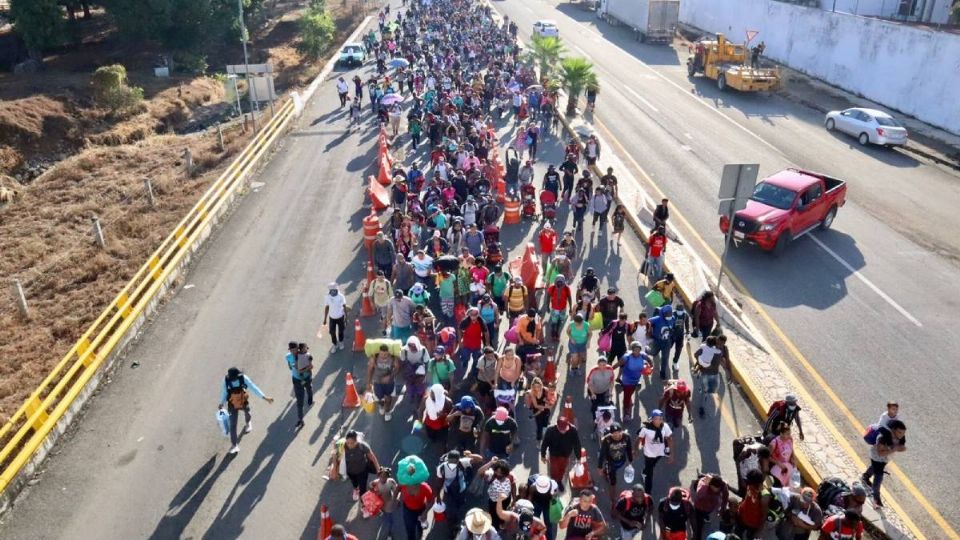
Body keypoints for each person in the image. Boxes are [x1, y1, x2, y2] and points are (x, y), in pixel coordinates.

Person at [219, 367, 274, 454]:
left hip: (243, 401)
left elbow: (253, 388)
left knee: (247, 412)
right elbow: (224, 392)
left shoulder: (243, 378)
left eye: (234, 378)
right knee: (233, 425)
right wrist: (221, 403)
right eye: (232, 379)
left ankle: (248, 423)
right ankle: (234, 445)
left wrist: (265, 397)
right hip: (232, 404)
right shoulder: (226, 380)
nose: (233, 380)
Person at [862, 418, 906, 508]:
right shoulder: (882, 437)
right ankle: (876, 500)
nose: (902, 435)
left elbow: (902, 446)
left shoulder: (901, 437)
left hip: (886, 459)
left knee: (874, 468)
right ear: (893, 430)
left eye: (903, 433)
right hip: (876, 458)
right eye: (900, 433)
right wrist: (894, 449)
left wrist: (901, 448)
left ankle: (865, 476)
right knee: (878, 479)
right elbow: (880, 453)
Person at [437, 450, 482, 527]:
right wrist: (438, 496)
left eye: (455, 462)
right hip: (448, 491)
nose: (452, 465)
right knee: (450, 509)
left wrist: (470, 455)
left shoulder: (463, 462)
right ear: (447, 459)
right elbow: (439, 481)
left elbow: (479, 459)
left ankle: (458, 517)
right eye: (450, 462)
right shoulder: (441, 467)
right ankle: (451, 523)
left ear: (459, 460)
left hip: (461, 490)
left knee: (460, 505)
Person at [335, 430, 381, 501]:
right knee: (354, 483)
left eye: (352, 443)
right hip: (350, 472)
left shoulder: (362, 446)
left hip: (362, 471)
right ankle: (356, 489)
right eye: (348, 443)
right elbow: (337, 458)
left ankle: (364, 505)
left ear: (356, 441)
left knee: (363, 489)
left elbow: (372, 457)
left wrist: (378, 469)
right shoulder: (342, 446)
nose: (349, 445)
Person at [637, 410, 674, 496]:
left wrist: (671, 454)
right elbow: (638, 438)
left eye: (661, 418)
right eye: (657, 419)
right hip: (648, 454)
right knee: (649, 476)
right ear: (653, 419)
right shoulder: (645, 428)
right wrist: (635, 449)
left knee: (652, 466)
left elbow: (669, 439)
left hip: (659, 453)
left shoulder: (665, 426)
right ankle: (647, 495)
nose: (659, 421)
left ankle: (644, 471)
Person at [541, 415, 582, 488]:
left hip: (566, 455)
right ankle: (553, 483)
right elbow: (545, 443)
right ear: (557, 426)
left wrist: (578, 457)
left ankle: (559, 481)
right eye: (561, 429)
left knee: (562, 469)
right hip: (554, 455)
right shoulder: (550, 430)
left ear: (568, 424)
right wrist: (543, 455)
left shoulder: (573, 430)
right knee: (554, 471)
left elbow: (577, 445)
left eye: (564, 429)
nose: (563, 431)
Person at [613, 341, 651, 420]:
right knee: (626, 396)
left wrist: (651, 367)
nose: (637, 352)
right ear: (632, 349)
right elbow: (618, 364)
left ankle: (627, 400)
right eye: (635, 350)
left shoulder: (643, 355)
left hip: (636, 379)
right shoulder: (627, 357)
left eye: (638, 350)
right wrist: (609, 369)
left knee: (630, 392)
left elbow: (650, 360)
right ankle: (626, 413)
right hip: (627, 380)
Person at [693, 335, 729, 418]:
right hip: (705, 373)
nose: (719, 345)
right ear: (716, 341)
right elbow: (696, 354)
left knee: (713, 389)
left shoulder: (722, 350)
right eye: (718, 343)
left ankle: (702, 389)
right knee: (705, 391)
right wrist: (702, 364)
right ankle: (702, 408)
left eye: (721, 344)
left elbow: (724, 360)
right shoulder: (707, 347)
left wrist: (727, 370)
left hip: (714, 374)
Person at [597, 423, 633, 502]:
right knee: (613, 481)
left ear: (621, 431)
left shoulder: (627, 437)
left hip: (621, 461)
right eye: (614, 433)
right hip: (611, 462)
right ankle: (613, 499)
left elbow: (629, 449)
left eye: (618, 432)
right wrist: (599, 467)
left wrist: (630, 461)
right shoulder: (607, 440)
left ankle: (607, 473)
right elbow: (602, 453)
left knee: (615, 472)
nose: (616, 435)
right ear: (611, 433)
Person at [690, 474, 730, 540]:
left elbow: (725, 497)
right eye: (715, 488)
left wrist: (722, 509)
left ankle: (706, 516)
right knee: (699, 525)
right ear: (710, 485)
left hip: (711, 507)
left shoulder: (722, 485)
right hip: (699, 507)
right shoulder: (703, 488)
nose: (717, 490)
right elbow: (696, 498)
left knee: (707, 513)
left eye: (719, 488)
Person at [367, 343, 400, 421]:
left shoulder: (393, 358)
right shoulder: (374, 358)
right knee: (379, 399)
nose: (383, 356)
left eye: (386, 354)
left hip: (389, 383)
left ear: (388, 353)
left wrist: (390, 376)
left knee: (388, 398)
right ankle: (381, 406)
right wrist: (368, 383)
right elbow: (370, 370)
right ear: (379, 352)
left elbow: (397, 369)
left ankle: (387, 411)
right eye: (382, 354)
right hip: (377, 382)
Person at [735, 469, 770, 540]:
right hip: (742, 517)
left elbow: (764, 515)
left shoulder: (764, 496)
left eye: (749, 482)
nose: (748, 484)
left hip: (753, 524)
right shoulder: (751, 485)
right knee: (737, 534)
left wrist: (759, 531)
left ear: (756, 483)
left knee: (749, 537)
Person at [286, 342, 314, 429]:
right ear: (289, 350)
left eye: (295, 349)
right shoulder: (288, 356)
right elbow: (289, 365)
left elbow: (311, 366)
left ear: (298, 348)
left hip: (306, 378)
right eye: (291, 350)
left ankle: (310, 398)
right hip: (296, 380)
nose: (293, 351)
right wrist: (292, 367)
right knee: (299, 402)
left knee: (309, 389)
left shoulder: (304, 354)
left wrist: (301, 370)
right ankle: (300, 420)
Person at [368, 467, 399, 540]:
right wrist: (374, 491)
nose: (383, 478)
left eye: (385, 477)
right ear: (378, 476)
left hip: (389, 503)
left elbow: (395, 491)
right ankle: (383, 514)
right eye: (381, 476)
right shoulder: (375, 482)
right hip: (379, 503)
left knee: (389, 521)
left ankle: (389, 533)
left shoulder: (391, 482)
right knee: (384, 514)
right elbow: (370, 488)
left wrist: (396, 500)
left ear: (388, 476)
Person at [399, 475, 434, 540]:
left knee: (420, 527)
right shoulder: (403, 483)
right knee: (409, 528)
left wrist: (425, 512)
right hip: (407, 510)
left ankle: (420, 537)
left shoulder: (424, 487)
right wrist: (396, 499)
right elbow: (397, 489)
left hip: (421, 511)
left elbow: (431, 500)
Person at [648, 305, 677, 379]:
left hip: (667, 342)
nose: (669, 315)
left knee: (665, 358)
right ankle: (645, 349)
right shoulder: (657, 319)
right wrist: (649, 330)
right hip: (657, 341)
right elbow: (648, 322)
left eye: (670, 313)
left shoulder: (673, 318)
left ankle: (662, 372)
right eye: (667, 314)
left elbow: (673, 326)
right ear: (663, 314)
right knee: (653, 353)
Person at [459, 307, 489, 376]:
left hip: (477, 345)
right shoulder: (465, 321)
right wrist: (460, 341)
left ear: (478, 314)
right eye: (472, 314)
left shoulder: (481, 322)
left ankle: (474, 372)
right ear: (469, 314)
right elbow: (459, 329)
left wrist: (487, 343)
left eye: (476, 314)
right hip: (467, 345)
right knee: (465, 357)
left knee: (476, 359)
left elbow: (486, 332)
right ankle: (465, 361)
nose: (474, 316)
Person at [323, 282, 350, 353]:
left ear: (336, 289)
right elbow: (327, 307)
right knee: (332, 332)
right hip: (332, 318)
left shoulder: (341, 296)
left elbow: (344, 307)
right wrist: (325, 319)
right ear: (330, 290)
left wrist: (346, 318)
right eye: (331, 290)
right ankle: (334, 344)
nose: (333, 291)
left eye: (334, 289)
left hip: (340, 317)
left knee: (341, 331)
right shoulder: (327, 297)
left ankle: (341, 342)